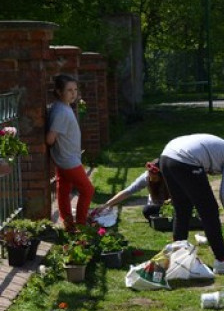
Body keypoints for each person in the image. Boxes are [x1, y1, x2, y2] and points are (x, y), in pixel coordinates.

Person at [159, 134, 224, 274]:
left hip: (166, 156)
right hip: (185, 160)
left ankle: (178, 257)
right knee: (209, 211)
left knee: (182, 208)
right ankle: (223, 261)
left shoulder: (221, 147)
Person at [46, 73, 94, 230]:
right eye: (69, 90)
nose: (73, 93)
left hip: (67, 157)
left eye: (75, 89)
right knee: (87, 190)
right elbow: (50, 139)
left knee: (64, 188)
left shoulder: (64, 107)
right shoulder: (60, 111)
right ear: (59, 92)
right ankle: (81, 225)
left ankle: (68, 224)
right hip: (67, 160)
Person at [97, 159, 171, 220]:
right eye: (150, 176)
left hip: (171, 205)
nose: (151, 180)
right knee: (147, 210)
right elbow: (128, 191)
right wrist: (106, 205)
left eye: (154, 178)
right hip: (156, 205)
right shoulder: (146, 177)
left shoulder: (170, 179)